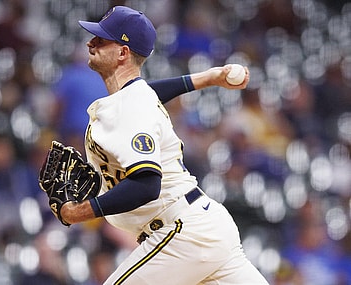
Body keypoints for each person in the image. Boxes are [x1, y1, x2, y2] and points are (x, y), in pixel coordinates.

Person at [56, 6, 269, 285]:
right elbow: (146, 91)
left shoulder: (130, 106)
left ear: (122, 52)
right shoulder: (135, 98)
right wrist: (207, 78)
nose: (90, 42)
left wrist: (80, 211)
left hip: (182, 234)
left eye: (101, 39)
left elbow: (146, 185)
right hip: (207, 227)